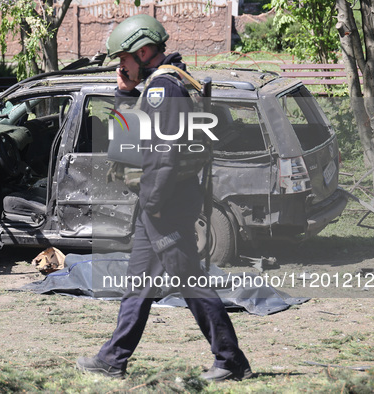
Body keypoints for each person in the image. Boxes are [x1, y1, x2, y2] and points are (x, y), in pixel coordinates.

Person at [76, 14, 252, 382]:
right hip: (159, 201)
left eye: (123, 59)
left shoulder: (164, 90)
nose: (120, 67)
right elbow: (127, 144)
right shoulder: (154, 88)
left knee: (190, 281)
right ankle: (113, 358)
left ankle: (231, 360)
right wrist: (124, 93)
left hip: (165, 203)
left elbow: (163, 154)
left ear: (143, 51)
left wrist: (154, 204)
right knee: (139, 283)